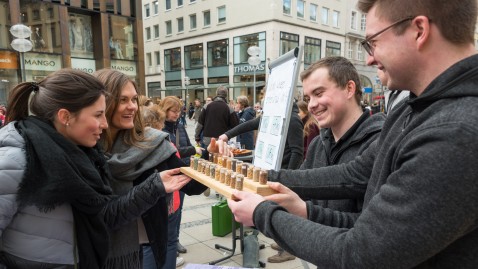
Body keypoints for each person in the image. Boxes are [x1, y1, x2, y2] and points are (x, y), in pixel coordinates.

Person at [228, 0, 478, 267]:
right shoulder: (411, 109)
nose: (369, 58)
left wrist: (262, 213)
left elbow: (361, 253)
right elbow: (354, 175)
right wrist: (263, 177)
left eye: (373, 42)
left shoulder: (456, 133)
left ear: (419, 30)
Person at [0, 69, 189, 269]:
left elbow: (102, 215)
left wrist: (155, 186)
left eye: (134, 99)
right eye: (99, 114)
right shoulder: (17, 159)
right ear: (65, 116)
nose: (105, 123)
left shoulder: (78, 153)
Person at [93, 69, 206, 269]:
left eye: (134, 99)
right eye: (122, 100)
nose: (132, 107)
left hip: (147, 248)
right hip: (98, 252)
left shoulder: (151, 142)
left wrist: (211, 158)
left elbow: (192, 185)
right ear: (101, 103)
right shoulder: (86, 148)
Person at [159, 96, 203, 265]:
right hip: (172, 174)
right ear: (165, 110)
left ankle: (175, 240)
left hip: (185, 172)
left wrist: (195, 155)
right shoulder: (161, 129)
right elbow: (173, 150)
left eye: (179, 111)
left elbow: (188, 145)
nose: (177, 114)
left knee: (179, 209)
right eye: (174, 111)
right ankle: (171, 243)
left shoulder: (179, 126)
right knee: (172, 212)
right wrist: (193, 149)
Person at [216, 101, 304, 170]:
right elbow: (251, 124)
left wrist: (287, 177)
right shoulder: (273, 115)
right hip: (268, 169)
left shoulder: (292, 119)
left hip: (282, 172)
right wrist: (227, 135)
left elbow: (297, 153)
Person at [195, 86, 239, 157]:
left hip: (207, 140)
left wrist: (197, 137)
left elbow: (200, 124)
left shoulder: (207, 106)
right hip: (222, 141)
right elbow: (236, 125)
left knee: (206, 162)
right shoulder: (229, 108)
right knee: (220, 163)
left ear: (216, 93)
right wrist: (228, 135)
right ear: (226, 95)